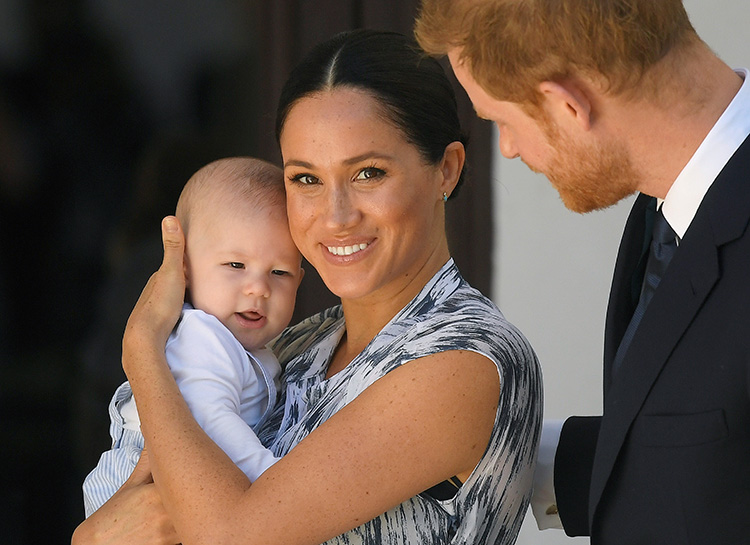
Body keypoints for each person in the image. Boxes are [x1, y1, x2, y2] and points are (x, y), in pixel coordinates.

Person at [72, 29, 542, 545]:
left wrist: (142, 349)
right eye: (306, 179)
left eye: (368, 173)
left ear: (445, 170)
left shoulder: (466, 358)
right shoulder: (298, 346)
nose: (336, 217)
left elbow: (231, 534)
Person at [415, 0, 750, 543]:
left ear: (567, 105)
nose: (511, 149)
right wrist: (498, 445)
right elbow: (713, 453)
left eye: (502, 121)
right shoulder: (668, 202)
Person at [81, 156, 304, 516]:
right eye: (236, 265)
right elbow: (211, 420)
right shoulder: (202, 338)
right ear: (183, 267)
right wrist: (271, 480)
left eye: (280, 272)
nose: (259, 288)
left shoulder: (251, 347)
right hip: (139, 491)